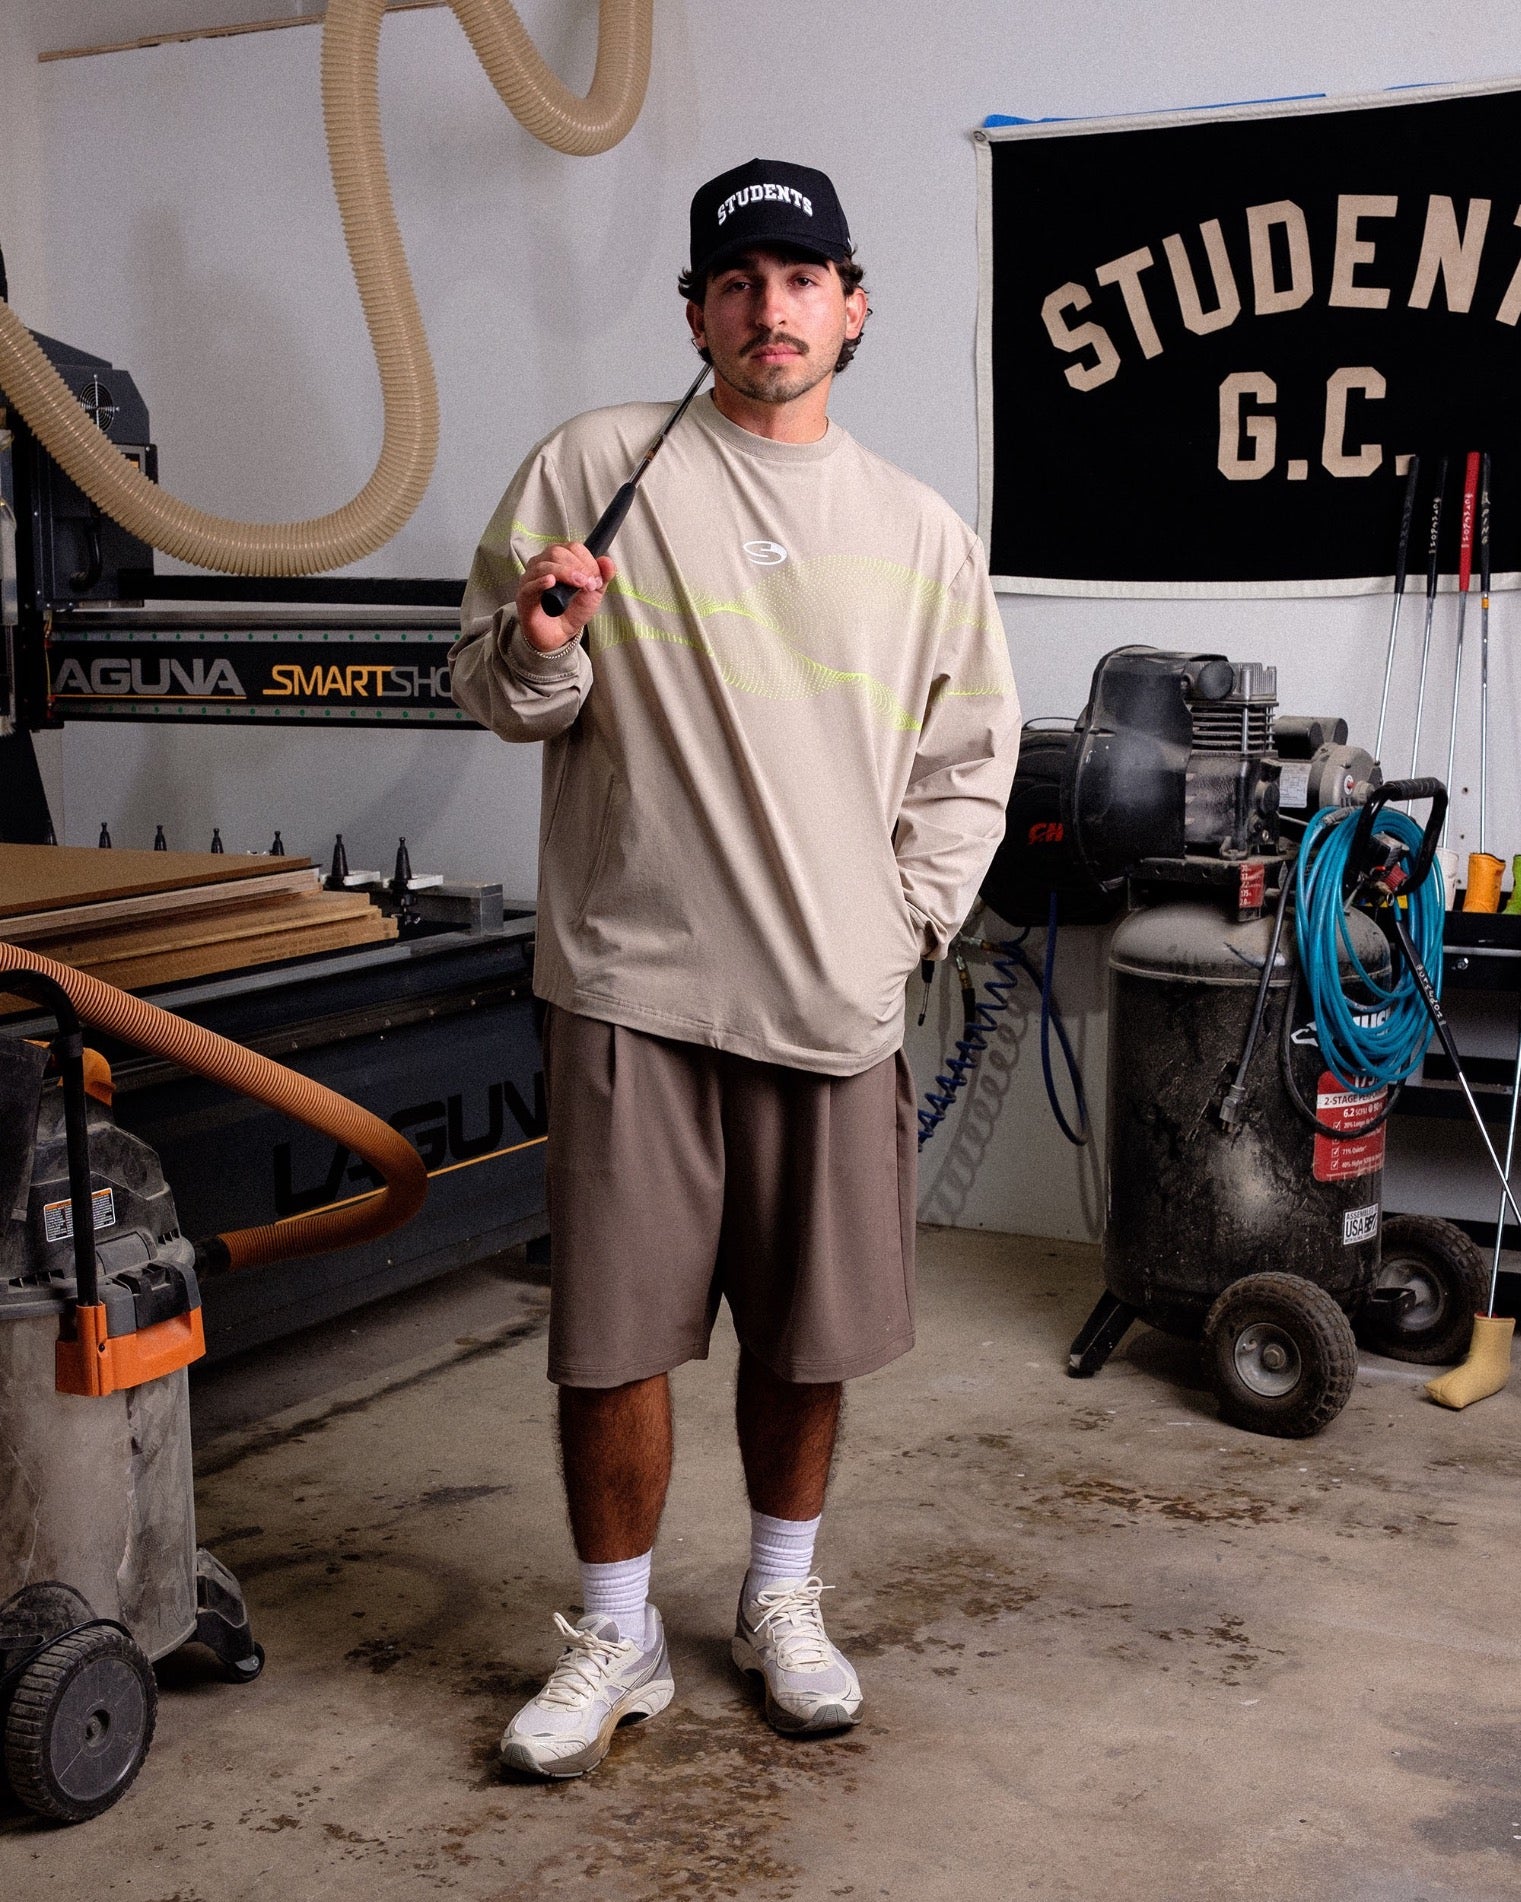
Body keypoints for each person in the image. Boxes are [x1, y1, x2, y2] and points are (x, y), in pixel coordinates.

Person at [450, 157, 1019, 1779]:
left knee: (805, 1331)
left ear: (853, 306)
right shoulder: (599, 466)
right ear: (695, 309)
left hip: (829, 1005)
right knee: (613, 1338)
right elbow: (502, 693)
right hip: (632, 992)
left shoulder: (916, 527)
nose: (769, 308)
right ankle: (617, 1633)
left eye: (800, 277)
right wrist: (538, 642)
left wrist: (902, 920)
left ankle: (779, 1598)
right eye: (736, 280)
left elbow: (969, 757)